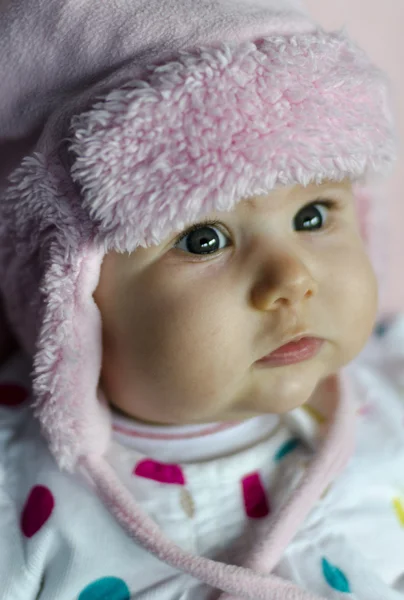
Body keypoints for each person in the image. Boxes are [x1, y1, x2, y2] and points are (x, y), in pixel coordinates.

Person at [0, 0, 403, 598]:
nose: (291, 280)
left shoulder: (391, 393)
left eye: (313, 215)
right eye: (203, 238)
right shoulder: (18, 495)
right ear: (71, 303)